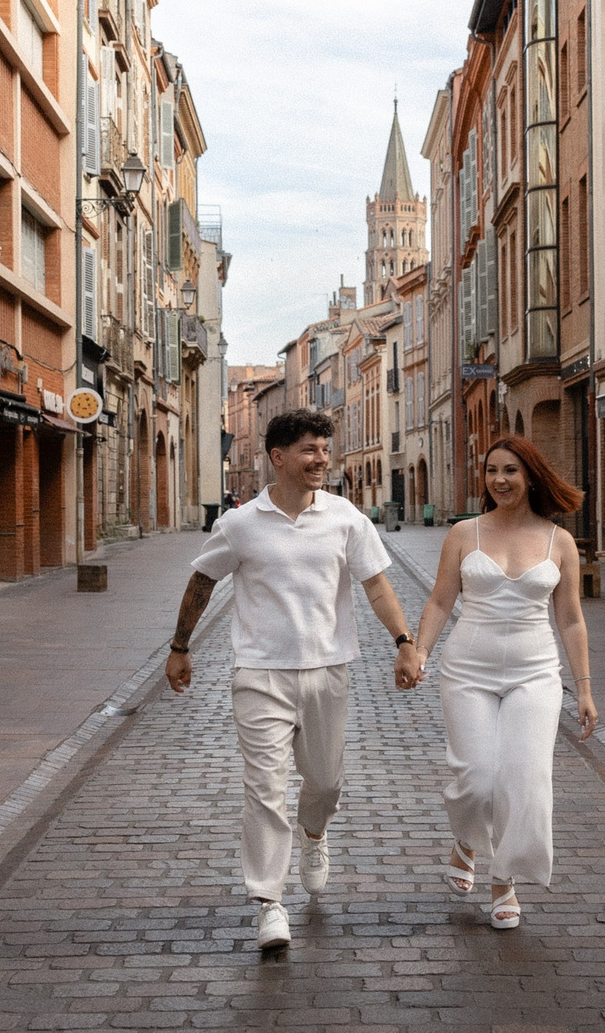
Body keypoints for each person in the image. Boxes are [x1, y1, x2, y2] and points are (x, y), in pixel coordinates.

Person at [164, 408, 422, 953]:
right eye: (309, 450)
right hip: (260, 673)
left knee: (326, 783)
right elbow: (201, 583)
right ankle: (269, 904)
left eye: (325, 449)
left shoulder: (346, 518)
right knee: (265, 788)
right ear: (277, 457)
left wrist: (404, 642)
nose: (321, 459)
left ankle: (315, 833)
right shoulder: (239, 524)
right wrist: (179, 648)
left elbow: (376, 586)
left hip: (328, 670)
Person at [401, 436, 593, 930]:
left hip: (535, 673)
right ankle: (467, 839)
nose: (499, 480)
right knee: (478, 776)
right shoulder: (466, 534)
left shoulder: (559, 541)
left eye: (510, 471)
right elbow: (441, 600)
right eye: (491, 471)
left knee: (525, 778)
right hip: (467, 671)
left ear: (530, 476)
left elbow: (570, 619)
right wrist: (420, 650)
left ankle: (503, 878)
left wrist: (585, 688)